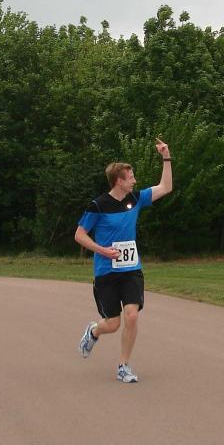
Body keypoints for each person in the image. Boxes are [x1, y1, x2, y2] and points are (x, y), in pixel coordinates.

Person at [74, 138, 172, 383]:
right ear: (119, 181)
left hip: (130, 269)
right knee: (113, 324)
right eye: (131, 177)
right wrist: (102, 250)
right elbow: (79, 235)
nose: (135, 181)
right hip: (106, 272)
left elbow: (165, 187)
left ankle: (123, 366)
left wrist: (166, 156)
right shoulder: (98, 205)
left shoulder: (136, 199)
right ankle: (94, 331)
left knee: (132, 316)